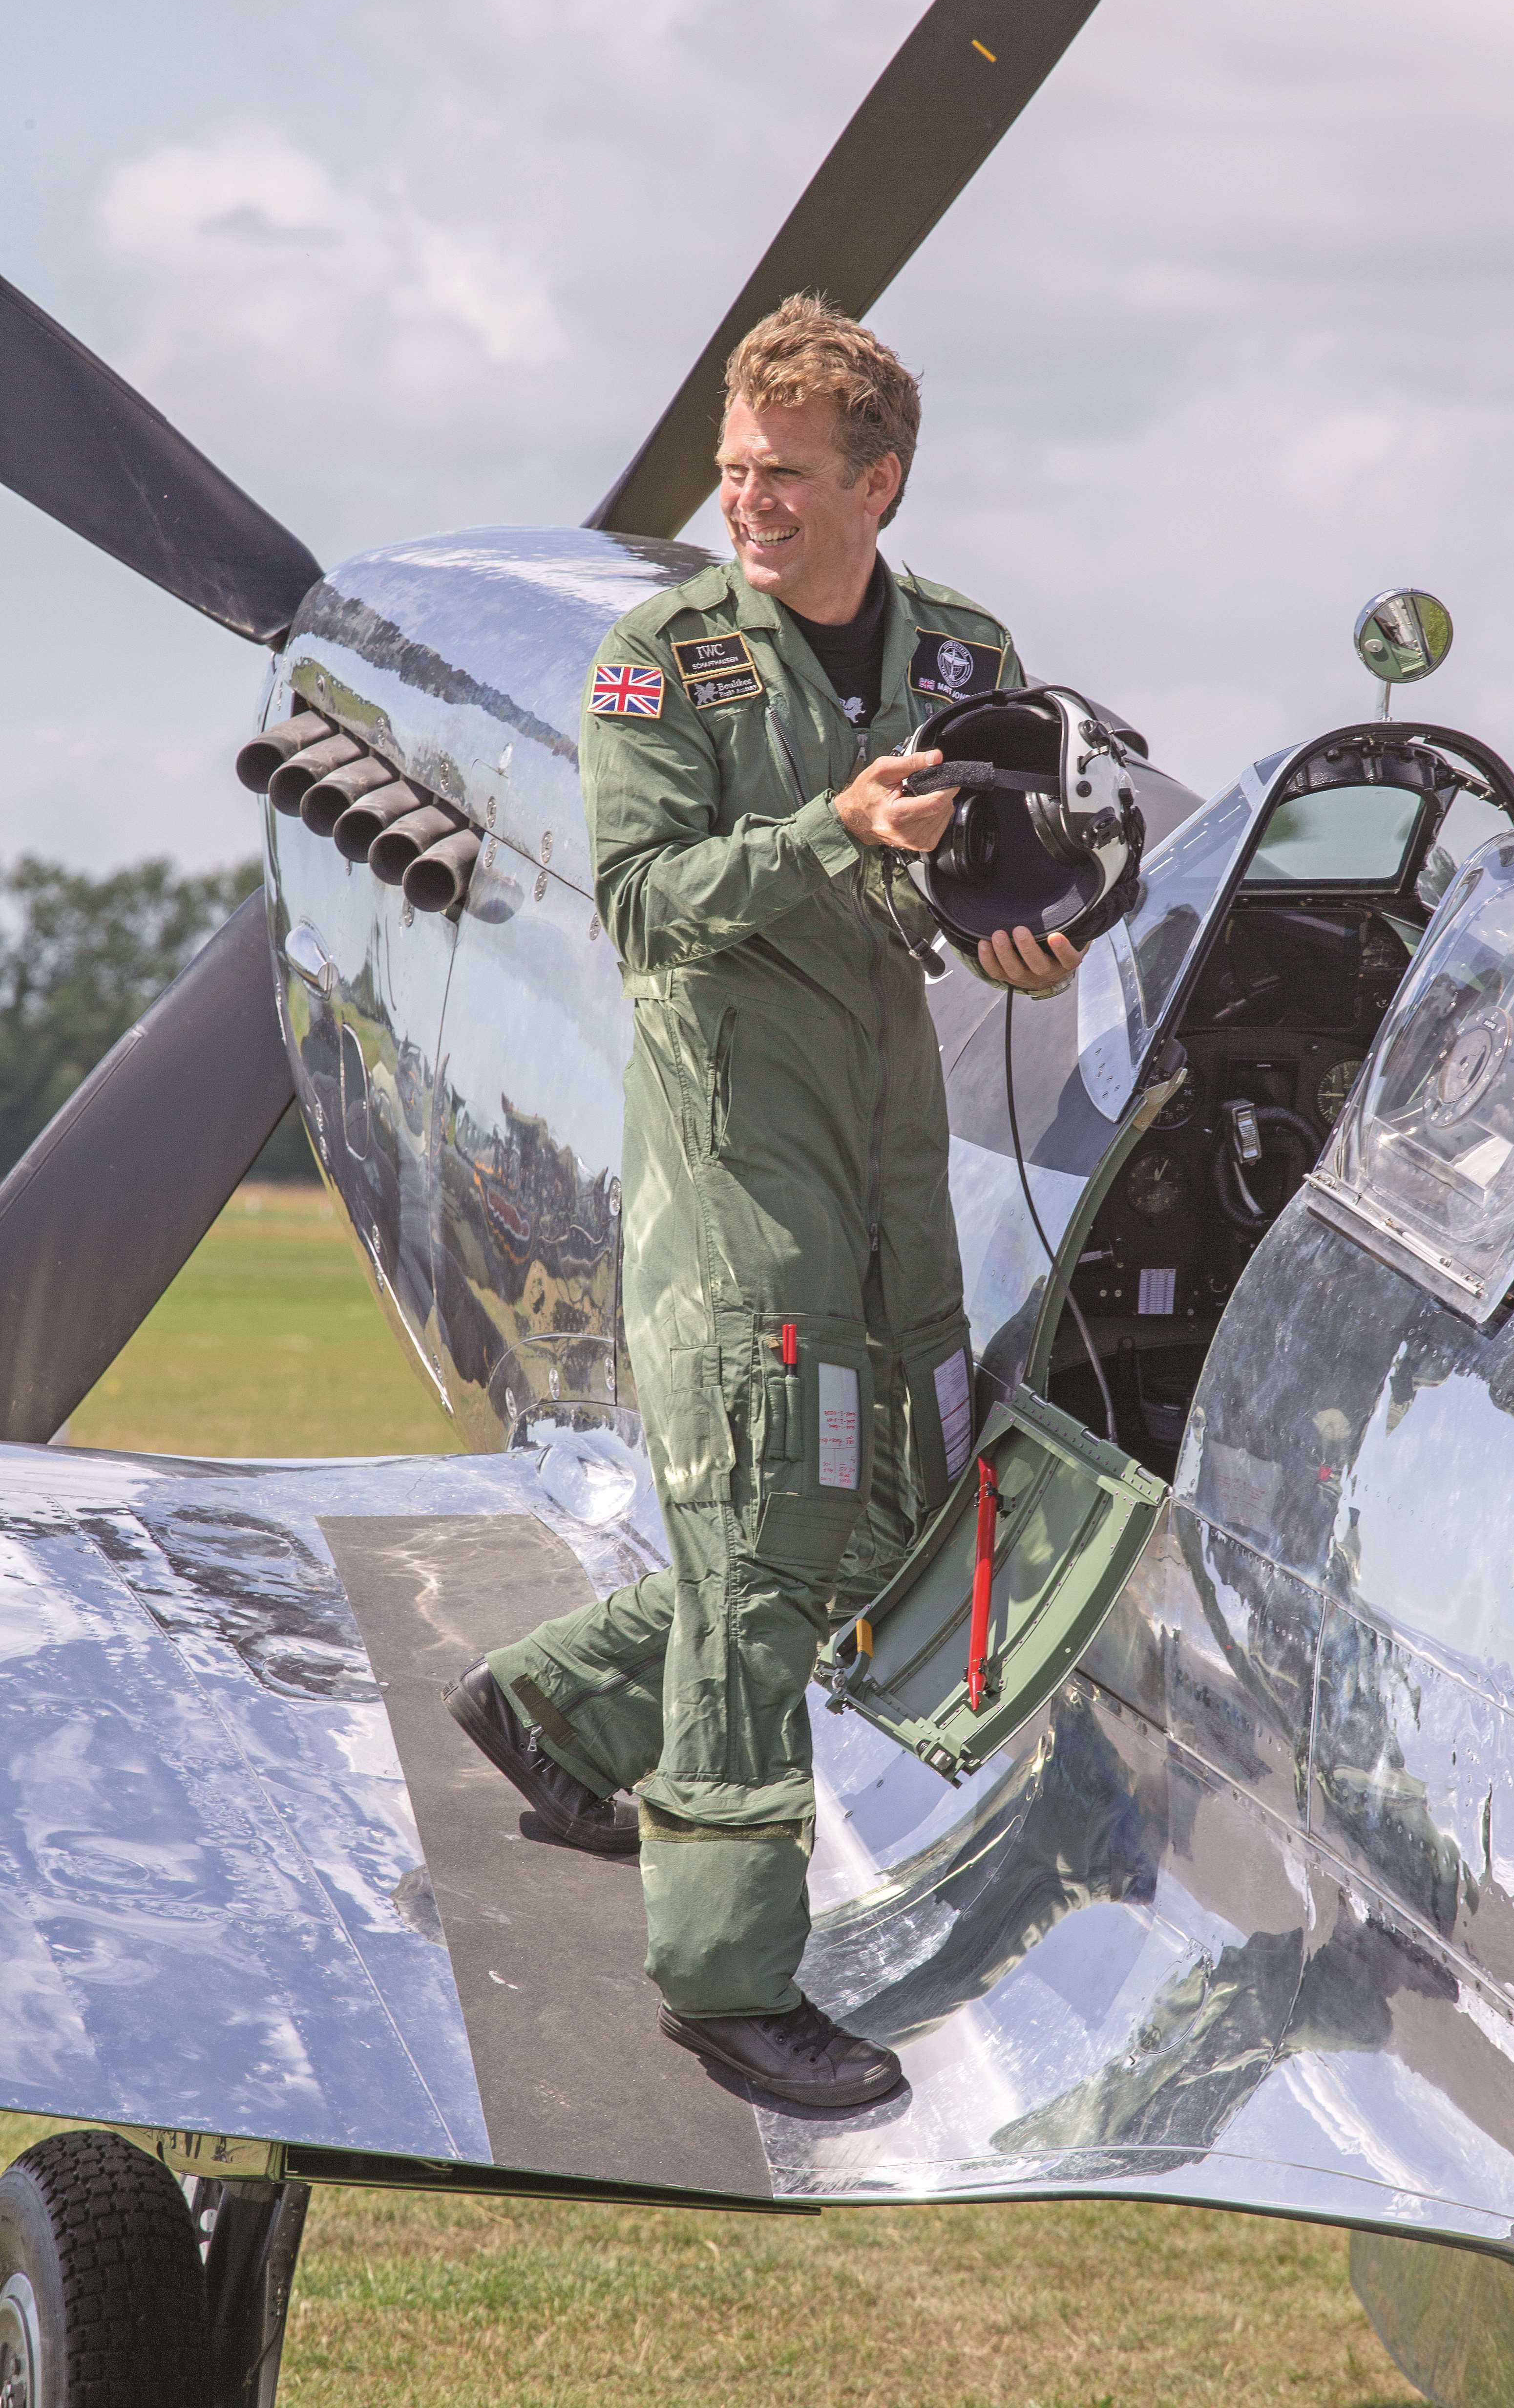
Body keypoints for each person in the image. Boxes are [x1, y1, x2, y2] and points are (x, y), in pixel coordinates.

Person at [444, 295, 1080, 2110]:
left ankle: (559, 1703)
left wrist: (1015, 948)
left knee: (901, 1524)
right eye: (738, 472)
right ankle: (728, 1977)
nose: (753, 503)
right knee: (762, 1537)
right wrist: (837, 836)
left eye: (790, 476)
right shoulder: (662, 663)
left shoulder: (964, 658)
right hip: (740, 1174)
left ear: (879, 483)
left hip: (893, 1154)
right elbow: (640, 908)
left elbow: (974, 884)